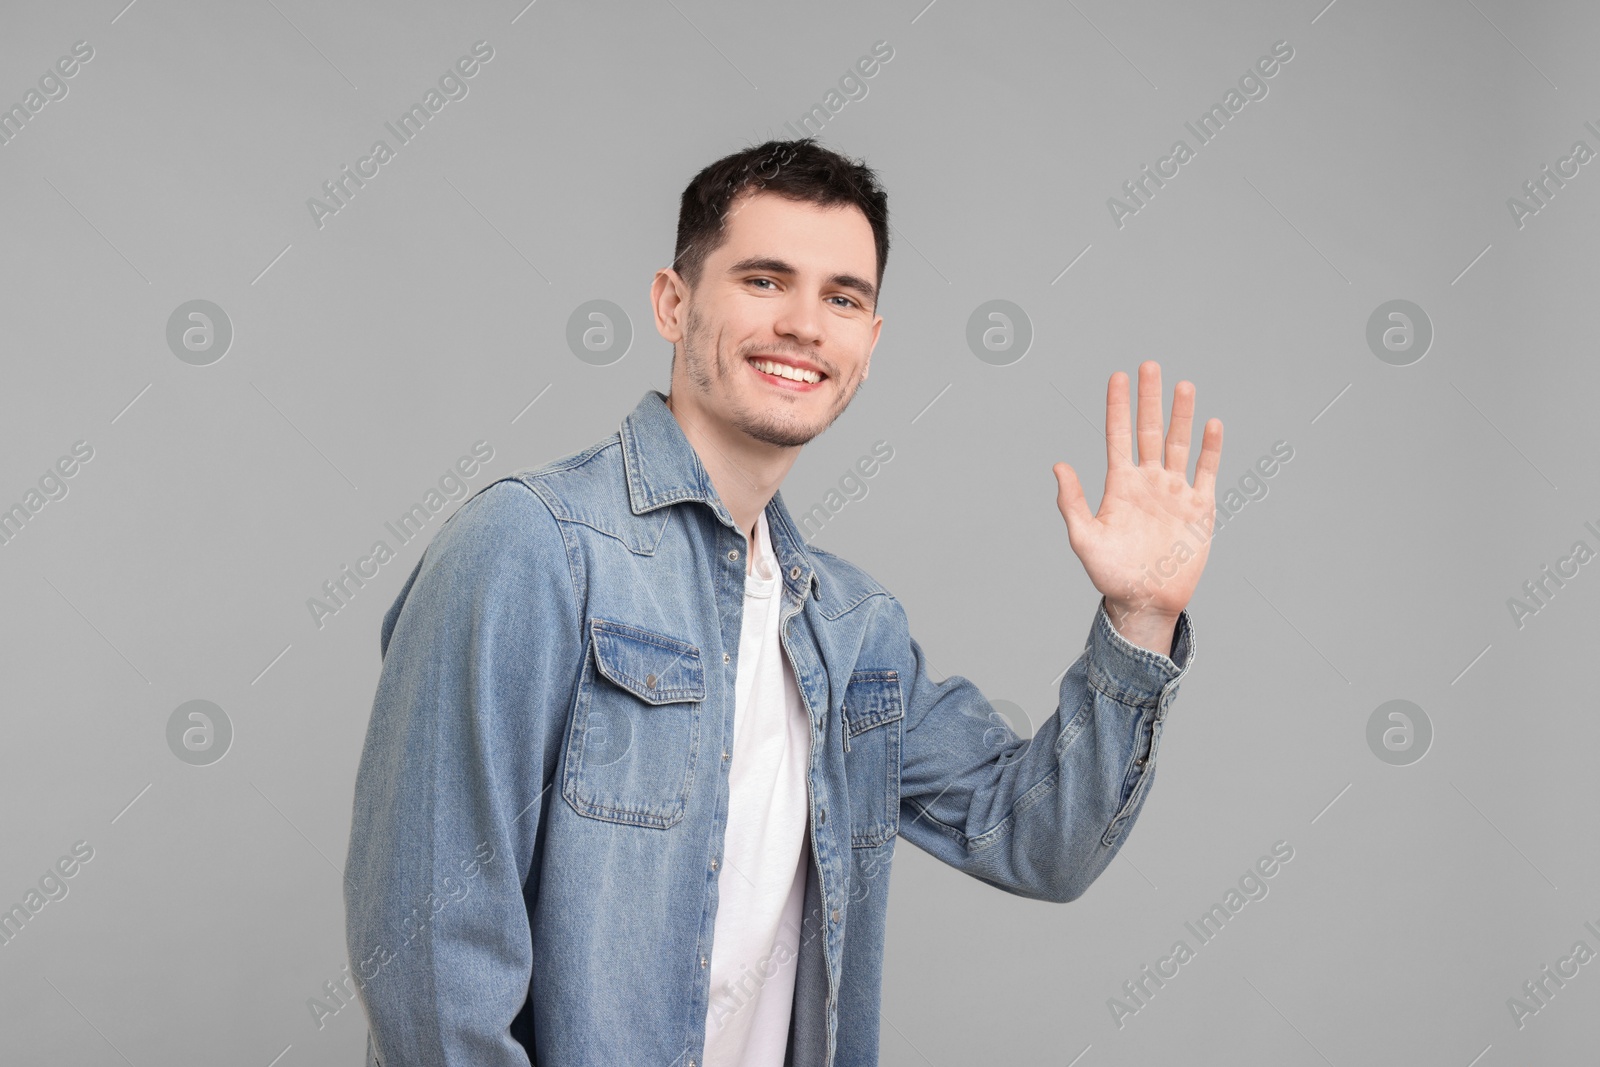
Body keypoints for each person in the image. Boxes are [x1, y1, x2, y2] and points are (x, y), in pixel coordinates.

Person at [343, 137, 1222, 1067]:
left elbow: (1038, 842)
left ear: (870, 344)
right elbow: (429, 961)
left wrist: (1140, 617)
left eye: (843, 297)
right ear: (673, 303)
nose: (806, 324)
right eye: (765, 280)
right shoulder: (533, 545)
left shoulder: (852, 627)